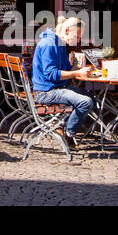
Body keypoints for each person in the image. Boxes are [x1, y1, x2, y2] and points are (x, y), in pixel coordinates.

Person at [31, 16, 97, 150]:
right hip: (46, 92)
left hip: (57, 88)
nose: (79, 41)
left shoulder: (59, 43)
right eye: (77, 36)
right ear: (67, 31)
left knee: (92, 99)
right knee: (85, 102)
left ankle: (61, 125)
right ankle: (68, 133)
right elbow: (51, 74)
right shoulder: (49, 44)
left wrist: (84, 70)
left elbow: (67, 67)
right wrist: (78, 73)